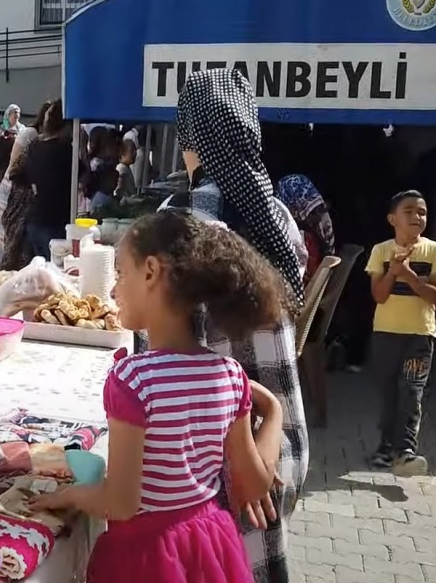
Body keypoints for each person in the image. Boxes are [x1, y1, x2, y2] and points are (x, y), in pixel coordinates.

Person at [34, 210, 285, 582]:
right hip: (211, 547)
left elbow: (119, 502)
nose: (115, 289)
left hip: (147, 557)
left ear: (151, 271)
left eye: (121, 274)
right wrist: (274, 410)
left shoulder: (133, 378)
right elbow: (256, 483)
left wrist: (72, 496)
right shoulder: (230, 375)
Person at [164, 68, 309, 581]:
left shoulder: (180, 227)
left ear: (192, 140)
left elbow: (167, 364)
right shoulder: (280, 219)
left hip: (218, 463)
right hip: (282, 446)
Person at [366, 190, 436, 475]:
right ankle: (386, 448)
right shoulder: (381, 251)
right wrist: (393, 271)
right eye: (409, 211)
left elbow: (433, 296)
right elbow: (379, 296)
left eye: (422, 212)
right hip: (385, 334)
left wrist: (408, 274)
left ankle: (406, 451)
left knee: (411, 390)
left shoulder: (432, 251)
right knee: (389, 394)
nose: (417, 217)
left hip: (420, 335)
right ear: (392, 219)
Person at [0, 100, 53, 270]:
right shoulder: (30, 134)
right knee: (12, 236)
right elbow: (14, 166)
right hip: (15, 189)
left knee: (21, 240)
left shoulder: (25, 130)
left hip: (24, 189)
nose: (16, 116)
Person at [12, 99, 75, 262]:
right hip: (55, 223)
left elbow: (15, 173)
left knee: (42, 275)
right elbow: (84, 176)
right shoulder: (66, 150)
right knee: (55, 276)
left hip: (35, 219)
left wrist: (35, 185)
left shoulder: (35, 146)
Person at [276, 173, 336, 281]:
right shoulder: (289, 240)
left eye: (321, 209)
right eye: (312, 212)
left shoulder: (315, 236)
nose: (320, 219)